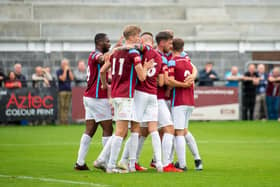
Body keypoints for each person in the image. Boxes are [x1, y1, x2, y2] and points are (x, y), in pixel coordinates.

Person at [117, 32, 182, 172]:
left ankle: (128, 161)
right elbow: (161, 81)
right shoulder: (156, 55)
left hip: (141, 94)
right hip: (154, 96)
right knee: (162, 129)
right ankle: (163, 164)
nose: (171, 46)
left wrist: (118, 48)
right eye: (169, 43)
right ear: (157, 42)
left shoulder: (140, 54)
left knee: (141, 130)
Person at [94, 25, 153, 173]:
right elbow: (142, 77)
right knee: (120, 131)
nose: (139, 38)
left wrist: (104, 85)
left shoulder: (115, 53)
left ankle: (114, 162)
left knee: (126, 130)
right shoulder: (133, 53)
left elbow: (102, 70)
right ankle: (111, 165)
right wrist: (146, 67)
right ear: (132, 37)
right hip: (125, 95)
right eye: (138, 35)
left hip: (116, 94)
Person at [74, 33, 113, 170]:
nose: (109, 44)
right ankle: (106, 163)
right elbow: (102, 59)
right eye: (107, 42)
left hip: (90, 97)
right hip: (97, 98)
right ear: (99, 42)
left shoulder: (93, 56)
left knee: (90, 129)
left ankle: (80, 162)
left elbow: (99, 74)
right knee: (109, 128)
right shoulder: (95, 55)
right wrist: (118, 49)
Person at [168, 38, 202, 171]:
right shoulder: (188, 62)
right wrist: (191, 78)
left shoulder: (172, 62)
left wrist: (182, 84)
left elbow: (170, 81)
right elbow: (194, 70)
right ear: (183, 48)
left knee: (179, 133)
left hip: (179, 100)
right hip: (190, 101)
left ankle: (182, 164)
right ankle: (198, 159)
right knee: (184, 131)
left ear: (172, 47)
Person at [56, 58, 74, 124]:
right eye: (65, 64)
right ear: (62, 64)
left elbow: (72, 78)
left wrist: (68, 71)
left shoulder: (69, 71)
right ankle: (62, 121)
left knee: (67, 106)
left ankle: (66, 120)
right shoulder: (59, 71)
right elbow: (63, 79)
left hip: (69, 90)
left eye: (67, 64)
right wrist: (65, 71)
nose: (66, 65)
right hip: (62, 91)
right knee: (62, 106)